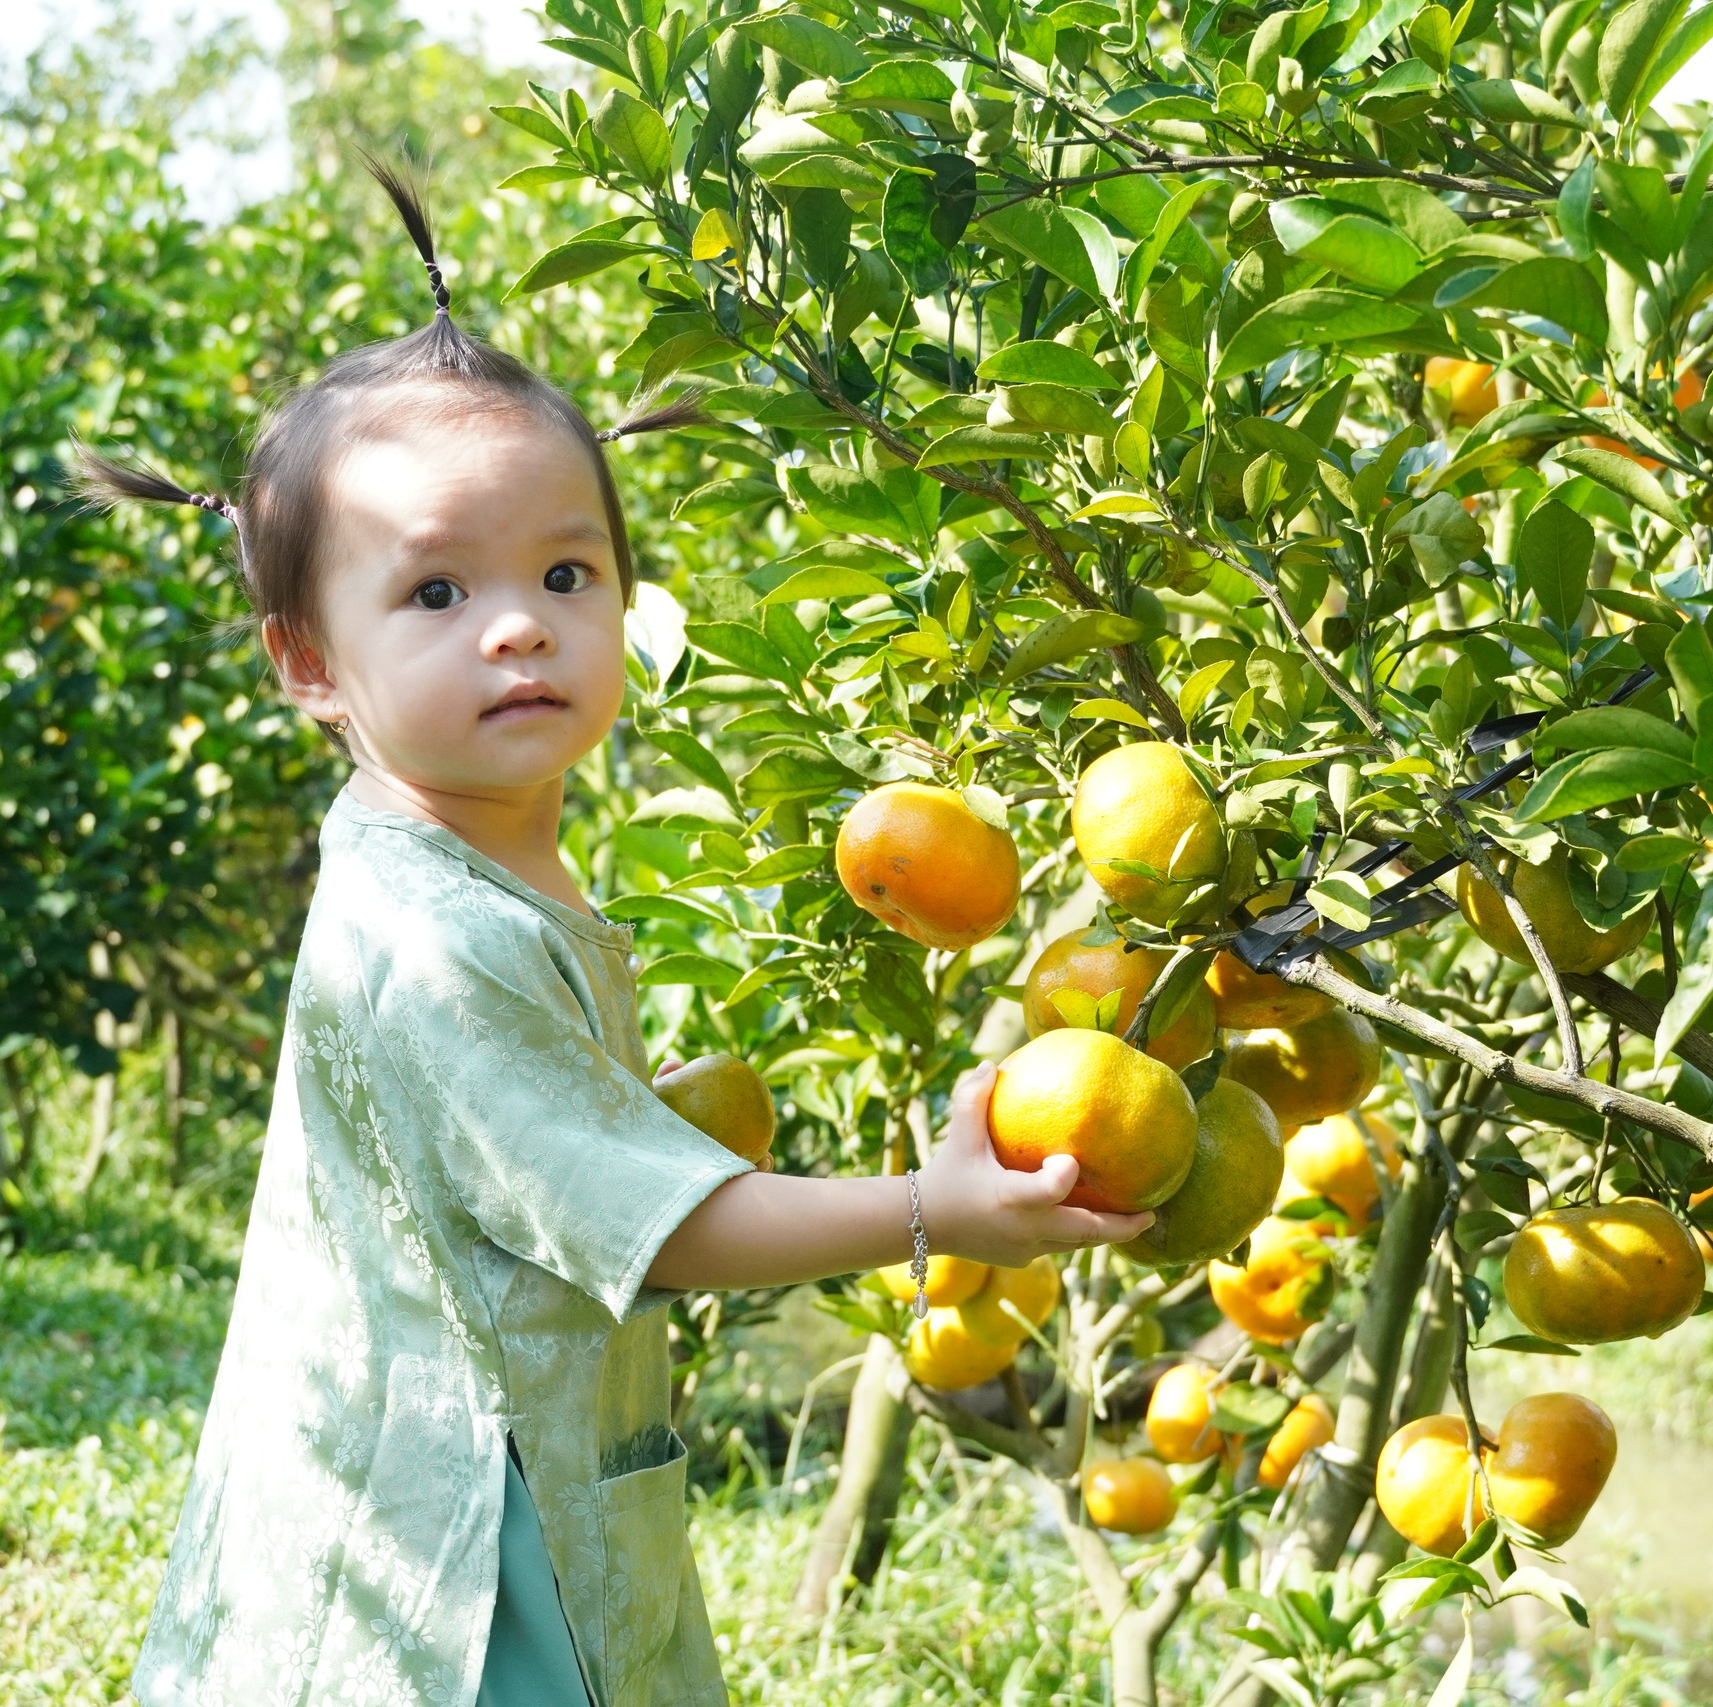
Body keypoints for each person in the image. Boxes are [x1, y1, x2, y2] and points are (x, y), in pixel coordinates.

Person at [75, 160, 1150, 1707]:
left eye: (564, 573)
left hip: (479, 1471)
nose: (518, 622)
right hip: (455, 1562)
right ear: (310, 662)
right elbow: (671, 1225)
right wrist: (941, 1209)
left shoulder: (473, 864)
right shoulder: (434, 941)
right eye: (436, 590)